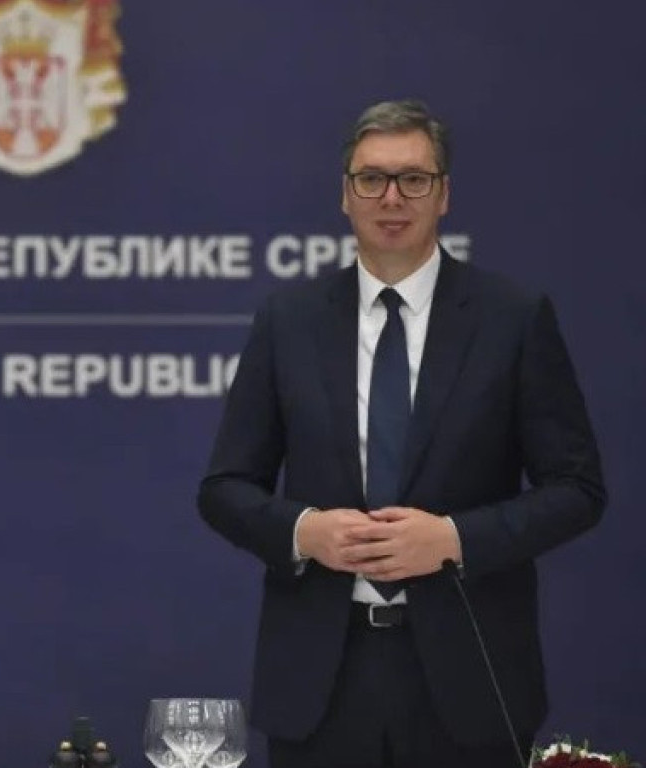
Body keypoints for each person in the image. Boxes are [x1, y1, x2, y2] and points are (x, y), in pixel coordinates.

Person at [196, 100, 605, 767]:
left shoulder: (513, 318)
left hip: (470, 677)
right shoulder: (289, 320)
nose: (391, 197)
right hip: (320, 679)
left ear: (444, 194)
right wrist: (305, 531)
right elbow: (224, 488)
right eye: (371, 179)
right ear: (345, 195)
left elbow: (577, 489)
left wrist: (454, 539)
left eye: (413, 178)